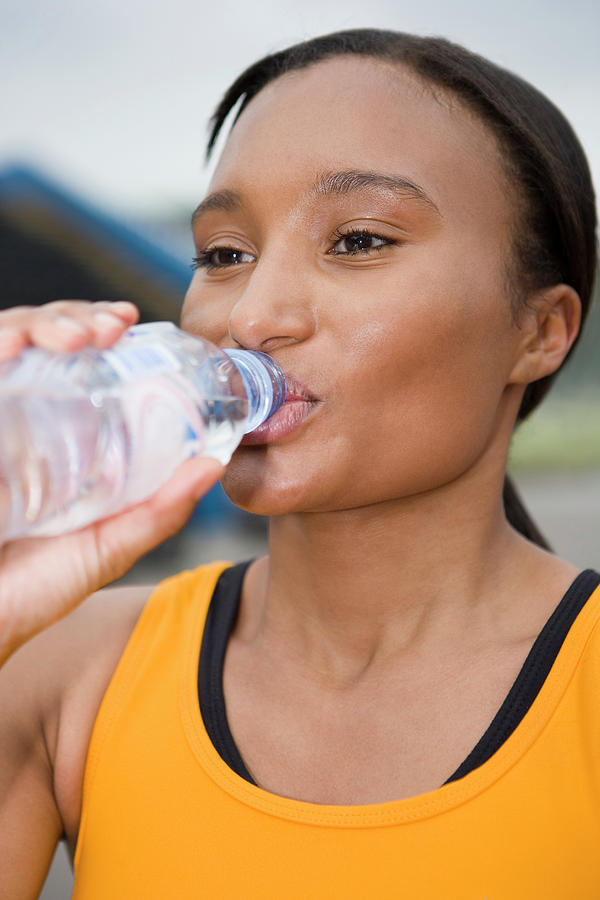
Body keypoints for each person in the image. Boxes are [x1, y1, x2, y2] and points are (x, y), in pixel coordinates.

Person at [1, 28, 598, 899]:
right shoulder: (68, 671)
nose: (252, 315)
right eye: (224, 255)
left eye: (358, 240)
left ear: (538, 332)